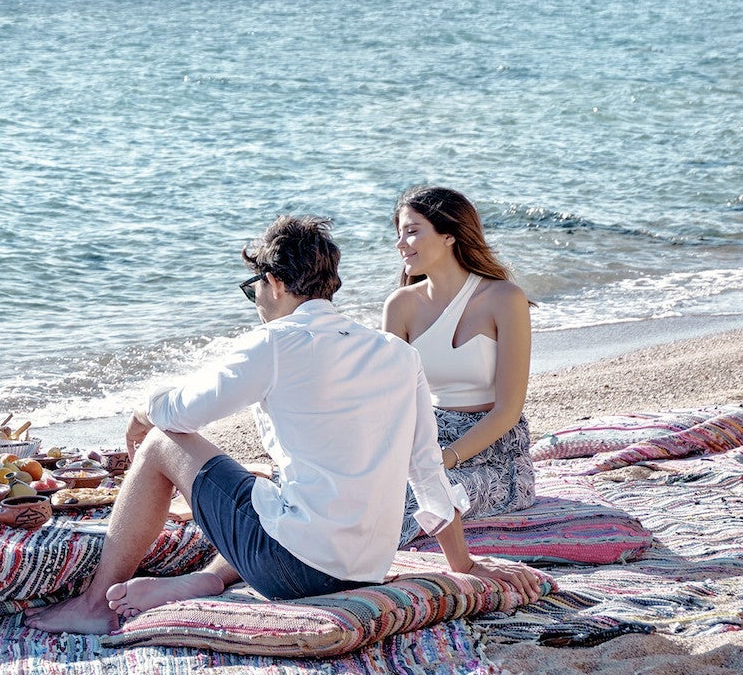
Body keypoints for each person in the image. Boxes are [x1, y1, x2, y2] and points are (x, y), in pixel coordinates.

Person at [30, 215, 541, 635]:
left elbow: (182, 414)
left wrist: (144, 412)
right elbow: (427, 469)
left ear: (274, 282)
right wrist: (464, 565)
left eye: (254, 286)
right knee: (268, 482)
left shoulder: (276, 342)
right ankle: (208, 580)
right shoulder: (395, 353)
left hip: (293, 572)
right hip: (362, 570)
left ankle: (95, 603)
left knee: (165, 442)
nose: (255, 300)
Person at [383, 186, 534, 546]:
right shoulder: (400, 306)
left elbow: (508, 411)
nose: (400, 244)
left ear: (449, 234)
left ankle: (339, 566)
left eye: (412, 231)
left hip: (495, 455)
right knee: (346, 489)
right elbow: (391, 400)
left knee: (420, 499)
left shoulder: (504, 298)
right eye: (399, 233)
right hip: (426, 438)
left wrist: (444, 459)